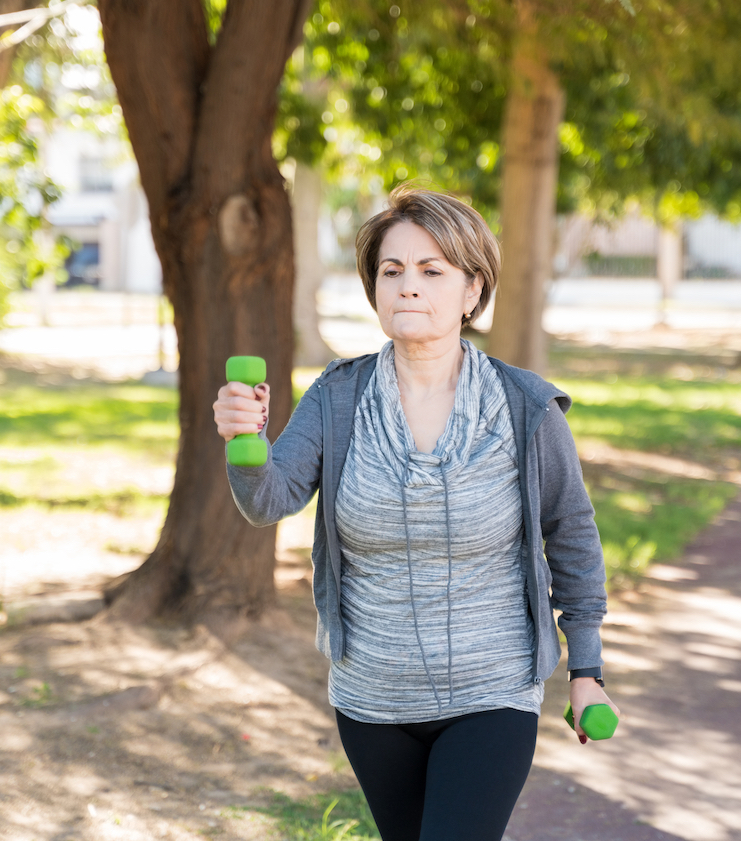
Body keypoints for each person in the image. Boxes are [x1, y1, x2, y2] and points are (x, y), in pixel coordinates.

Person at [213, 185, 617, 841]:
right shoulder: (337, 398)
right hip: (372, 700)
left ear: (472, 290)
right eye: (391, 270)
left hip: (491, 693)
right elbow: (268, 499)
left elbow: (571, 535)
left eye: (432, 271)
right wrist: (243, 443)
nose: (408, 286)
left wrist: (587, 671)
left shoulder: (525, 409)